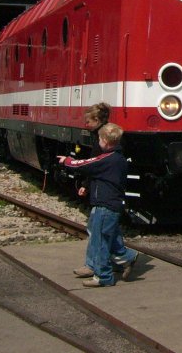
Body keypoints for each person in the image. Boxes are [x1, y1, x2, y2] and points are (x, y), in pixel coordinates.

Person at [57, 122, 138, 286]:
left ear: (105, 142)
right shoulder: (119, 158)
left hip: (105, 204)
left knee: (100, 239)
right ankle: (125, 257)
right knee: (104, 234)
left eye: (100, 139)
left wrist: (68, 161)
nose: (98, 142)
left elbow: (85, 164)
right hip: (109, 203)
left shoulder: (107, 159)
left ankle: (103, 276)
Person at [72, 102, 113, 279]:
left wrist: (85, 184)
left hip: (102, 193)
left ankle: (97, 268)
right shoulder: (112, 144)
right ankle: (125, 257)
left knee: (96, 229)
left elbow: (95, 165)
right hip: (107, 194)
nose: (85, 125)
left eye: (88, 122)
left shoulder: (101, 143)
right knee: (106, 229)